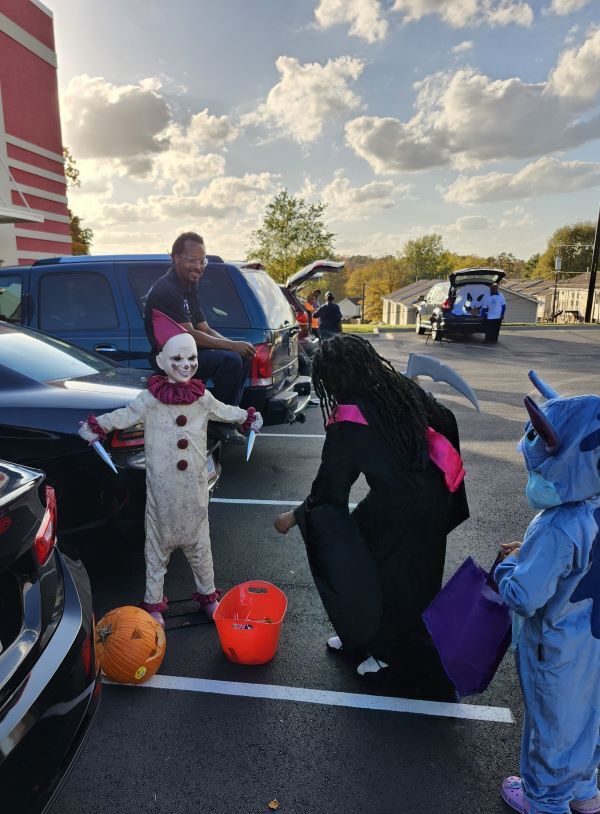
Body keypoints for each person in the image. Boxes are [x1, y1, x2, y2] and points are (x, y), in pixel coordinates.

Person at [273, 334, 469, 699]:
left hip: (407, 506)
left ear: (332, 378)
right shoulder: (397, 389)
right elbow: (446, 418)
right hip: (428, 495)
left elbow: (330, 488)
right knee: (372, 556)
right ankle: (359, 633)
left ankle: (386, 653)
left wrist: (297, 516)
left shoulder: (350, 417)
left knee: (393, 579)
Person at [79, 310, 263, 628]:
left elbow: (225, 411)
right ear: (162, 361)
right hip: (162, 495)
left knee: (200, 547)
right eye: (177, 358)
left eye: (191, 358)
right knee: (157, 550)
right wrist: (98, 426)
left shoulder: (201, 397)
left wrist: (246, 418)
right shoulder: (150, 400)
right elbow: (124, 415)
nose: (186, 365)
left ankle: (208, 595)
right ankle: (154, 605)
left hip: (194, 493)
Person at [495, 373, 600, 814]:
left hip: (555, 646)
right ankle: (584, 790)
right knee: (587, 715)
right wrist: (532, 552)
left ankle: (544, 799)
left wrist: (506, 567)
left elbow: (524, 595)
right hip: (591, 640)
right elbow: (579, 565)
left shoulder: (558, 523)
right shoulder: (593, 507)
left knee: (551, 722)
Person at [144, 232, 256, 444]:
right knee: (230, 360)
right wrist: (232, 347)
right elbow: (189, 335)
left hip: (187, 352)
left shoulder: (188, 286)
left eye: (202, 261)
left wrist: (235, 346)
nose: (198, 266)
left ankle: (229, 416)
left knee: (243, 356)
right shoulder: (167, 290)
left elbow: (204, 327)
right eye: (192, 260)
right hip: (170, 359)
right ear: (176, 257)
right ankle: (220, 425)